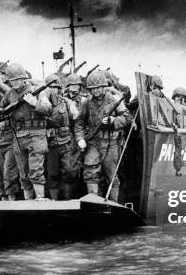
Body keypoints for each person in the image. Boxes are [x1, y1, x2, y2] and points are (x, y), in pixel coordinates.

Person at [0, 63, 52, 200]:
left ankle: (40, 199)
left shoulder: (37, 91)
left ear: (23, 78)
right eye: (12, 80)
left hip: (36, 134)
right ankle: (28, 201)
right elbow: (2, 111)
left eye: (17, 79)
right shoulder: (9, 94)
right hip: (19, 136)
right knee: (23, 173)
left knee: (36, 171)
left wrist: (34, 103)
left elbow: (48, 110)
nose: (15, 83)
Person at [78, 71, 133, 201]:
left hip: (111, 142)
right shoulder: (87, 102)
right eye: (93, 88)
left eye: (98, 87)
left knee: (111, 175)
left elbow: (127, 118)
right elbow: (79, 122)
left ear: (104, 86)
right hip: (93, 141)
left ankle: (114, 204)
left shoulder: (114, 100)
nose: (95, 91)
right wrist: (80, 138)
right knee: (90, 172)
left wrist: (113, 121)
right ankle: (93, 202)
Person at [44, 74, 84, 200]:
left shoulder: (67, 103)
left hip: (67, 142)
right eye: (50, 87)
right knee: (52, 174)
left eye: (56, 87)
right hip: (50, 144)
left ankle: (68, 200)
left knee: (70, 171)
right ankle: (54, 201)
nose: (53, 90)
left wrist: (79, 138)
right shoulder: (41, 104)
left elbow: (77, 121)